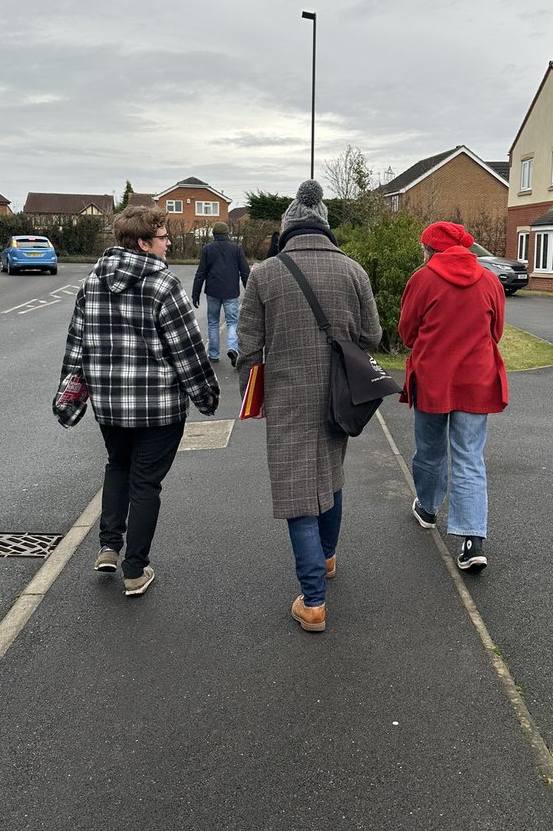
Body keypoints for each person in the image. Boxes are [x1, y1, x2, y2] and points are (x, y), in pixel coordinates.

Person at [237, 180, 382, 633]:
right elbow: (372, 337)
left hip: (287, 397)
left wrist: (252, 397)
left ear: (287, 229)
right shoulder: (354, 271)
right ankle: (328, 558)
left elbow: (248, 349)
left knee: (297, 490)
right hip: (341, 396)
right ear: (324, 226)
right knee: (331, 476)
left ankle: (314, 600)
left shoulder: (265, 274)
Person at [56, 206, 219, 596]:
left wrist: (68, 397)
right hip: (158, 408)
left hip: (109, 406)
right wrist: (206, 397)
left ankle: (109, 546)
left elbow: (76, 346)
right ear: (144, 243)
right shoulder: (164, 285)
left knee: (117, 466)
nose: (169, 244)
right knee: (146, 483)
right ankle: (135, 568)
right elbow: (187, 350)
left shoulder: (91, 282)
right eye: (164, 238)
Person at [398, 221, 507, 572]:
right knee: (470, 456)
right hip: (477, 380)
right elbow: (497, 331)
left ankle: (428, 508)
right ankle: (472, 539)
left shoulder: (423, 279)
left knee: (430, 450)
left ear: (430, 250)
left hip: (433, 379)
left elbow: (407, 331)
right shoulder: (490, 280)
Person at [192, 221, 251, 366]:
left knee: (213, 322)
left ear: (214, 235)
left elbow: (201, 273)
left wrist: (196, 293)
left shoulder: (207, 248)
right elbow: (245, 272)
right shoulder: (236, 249)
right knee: (232, 321)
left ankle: (213, 354)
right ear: (227, 234)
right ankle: (232, 348)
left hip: (212, 291)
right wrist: (249, 291)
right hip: (231, 291)